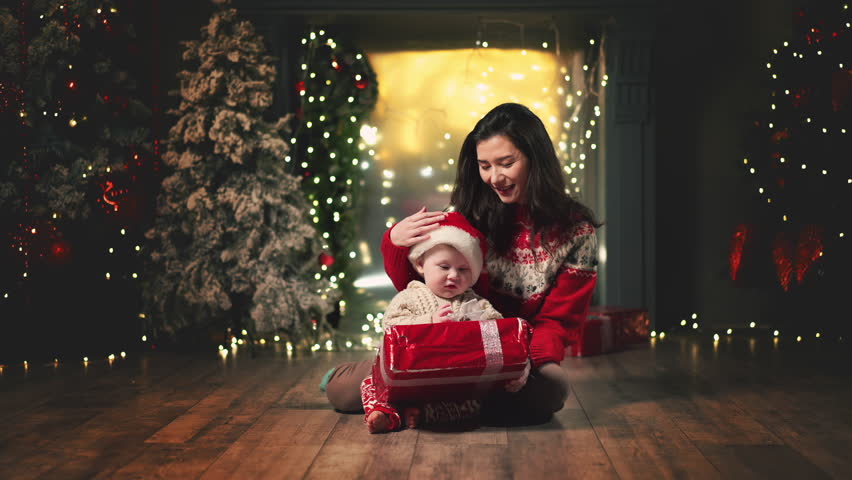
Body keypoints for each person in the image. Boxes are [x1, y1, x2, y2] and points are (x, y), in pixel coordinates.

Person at [322, 102, 600, 425]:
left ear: (535, 160)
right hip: (448, 342)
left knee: (552, 389)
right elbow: (422, 283)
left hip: (516, 354)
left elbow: (557, 322)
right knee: (341, 392)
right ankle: (448, 404)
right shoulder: (470, 212)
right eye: (484, 166)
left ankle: (430, 406)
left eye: (506, 163)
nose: (494, 177)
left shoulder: (577, 231)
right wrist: (394, 242)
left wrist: (522, 362)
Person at [360, 211, 525, 433]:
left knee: (474, 405)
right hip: (410, 376)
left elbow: (501, 332)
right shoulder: (410, 296)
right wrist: (428, 322)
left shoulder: (475, 303)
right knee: (372, 386)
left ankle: (421, 415)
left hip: (453, 381)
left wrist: (517, 368)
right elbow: (391, 326)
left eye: (463, 269)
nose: (454, 275)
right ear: (420, 265)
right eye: (444, 267)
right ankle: (385, 414)